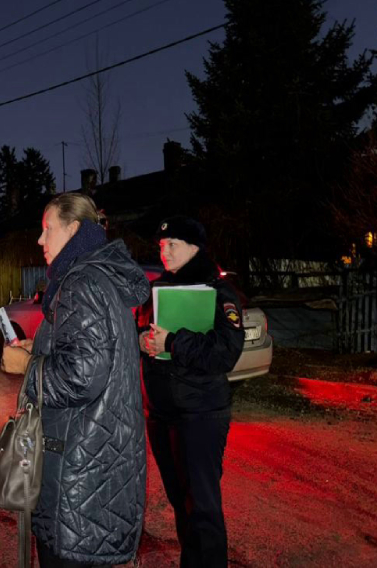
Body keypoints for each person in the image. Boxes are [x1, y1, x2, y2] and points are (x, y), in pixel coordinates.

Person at [2, 192, 150, 568]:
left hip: (77, 475)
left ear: (73, 230)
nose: (40, 241)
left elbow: (81, 376)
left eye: (46, 230)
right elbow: (92, 354)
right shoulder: (100, 278)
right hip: (99, 462)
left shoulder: (81, 282)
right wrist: (44, 348)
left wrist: (27, 366)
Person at [138, 216, 245, 568]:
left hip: (200, 414)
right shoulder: (156, 290)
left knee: (203, 508)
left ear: (195, 247)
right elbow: (142, 334)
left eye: (173, 245)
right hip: (162, 413)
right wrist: (143, 340)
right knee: (180, 503)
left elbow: (225, 353)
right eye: (161, 245)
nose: (164, 251)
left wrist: (172, 340)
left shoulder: (219, 291)